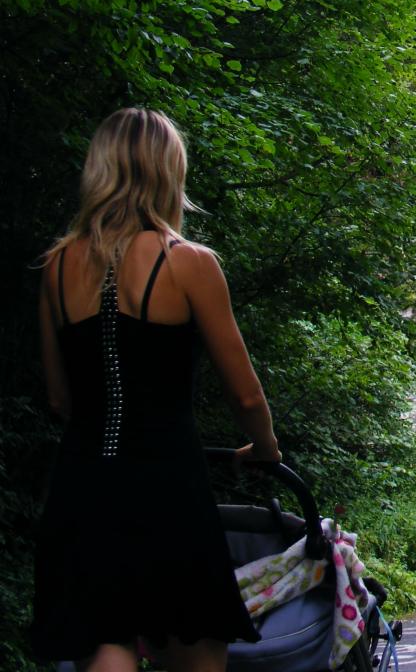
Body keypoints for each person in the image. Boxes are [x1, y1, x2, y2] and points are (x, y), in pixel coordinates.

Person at [31, 108, 281, 672]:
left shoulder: (55, 268)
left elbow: (59, 398)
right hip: (167, 479)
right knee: (196, 647)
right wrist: (264, 448)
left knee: (107, 637)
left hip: (83, 480)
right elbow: (244, 396)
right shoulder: (188, 263)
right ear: (170, 172)